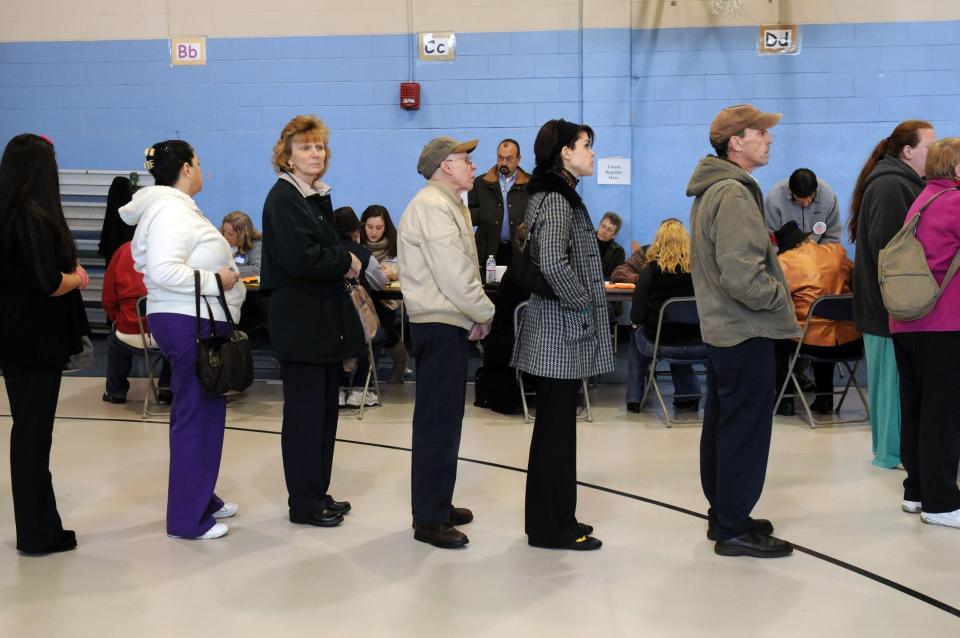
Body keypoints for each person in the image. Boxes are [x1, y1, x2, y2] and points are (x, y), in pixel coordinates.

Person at [687, 104, 799, 558]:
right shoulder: (732, 194)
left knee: (723, 425)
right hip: (744, 328)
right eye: (761, 133)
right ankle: (733, 527)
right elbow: (742, 276)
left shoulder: (716, 190)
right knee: (744, 431)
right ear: (737, 143)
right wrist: (780, 297)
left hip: (724, 329)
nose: (769, 140)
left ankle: (725, 515)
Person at [118, 140, 243, 540]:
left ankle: (200, 497)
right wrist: (218, 280)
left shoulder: (176, 208)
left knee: (203, 413)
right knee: (195, 417)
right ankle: (187, 520)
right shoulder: (172, 210)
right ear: (187, 168)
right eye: (200, 162)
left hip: (193, 319)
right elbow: (162, 270)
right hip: (188, 321)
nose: (202, 169)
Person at [512, 119, 613, 551]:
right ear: (564, 153)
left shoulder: (556, 194)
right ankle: (550, 528)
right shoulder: (556, 201)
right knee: (555, 433)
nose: (592, 153)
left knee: (556, 431)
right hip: (559, 331)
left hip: (556, 329)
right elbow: (552, 263)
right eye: (586, 145)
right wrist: (583, 303)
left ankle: (556, 518)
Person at [260, 115, 365, 529]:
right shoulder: (284, 199)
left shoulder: (310, 197)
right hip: (301, 324)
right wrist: (346, 259)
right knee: (305, 419)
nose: (315, 153)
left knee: (323, 416)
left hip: (319, 324)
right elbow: (302, 257)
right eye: (305, 147)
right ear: (287, 156)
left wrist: (340, 257)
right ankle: (303, 503)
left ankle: (317, 492)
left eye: (319, 146)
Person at [398, 135, 495, 549]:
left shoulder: (446, 204)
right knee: (437, 423)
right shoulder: (434, 207)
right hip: (438, 326)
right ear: (444, 167)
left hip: (446, 321)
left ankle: (438, 500)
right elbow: (454, 273)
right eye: (465, 159)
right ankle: (429, 519)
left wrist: (469, 314)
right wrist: (484, 312)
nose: (473, 165)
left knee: (445, 419)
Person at [0, 133, 89, 554]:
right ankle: (37, 532)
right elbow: (47, 281)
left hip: (18, 341)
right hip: (35, 343)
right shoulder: (32, 217)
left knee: (29, 434)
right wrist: (77, 278)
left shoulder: (10, 215)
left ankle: (41, 526)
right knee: (34, 437)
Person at [849, 120, 935, 469]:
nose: (936, 152)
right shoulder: (890, 187)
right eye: (930, 146)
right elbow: (892, 253)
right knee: (889, 388)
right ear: (908, 151)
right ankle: (891, 453)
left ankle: (894, 450)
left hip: (890, 306)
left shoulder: (903, 184)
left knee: (895, 384)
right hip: (887, 308)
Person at [890, 137, 960, 529]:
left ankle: (916, 491)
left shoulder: (923, 200)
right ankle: (942, 501)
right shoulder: (955, 203)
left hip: (908, 322)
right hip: (945, 324)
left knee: (916, 409)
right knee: (943, 414)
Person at [772, 221, 861, 417]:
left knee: (778, 338)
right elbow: (858, 282)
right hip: (851, 341)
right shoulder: (836, 251)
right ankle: (825, 398)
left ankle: (785, 401)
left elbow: (774, 299)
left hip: (809, 344)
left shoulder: (783, 262)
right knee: (828, 326)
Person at [625, 219, 703, 414]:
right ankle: (688, 395)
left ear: (658, 241)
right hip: (700, 345)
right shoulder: (701, 272)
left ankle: (634, 398)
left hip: (662, 344)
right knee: (680, 335)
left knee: (638, 336)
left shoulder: (650, 271)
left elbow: (636, 316)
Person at [101, 240, 172, 404]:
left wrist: (117, 318)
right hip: (164, 331)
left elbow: (108, 298)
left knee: (115, 341)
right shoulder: (172, 248)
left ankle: (116, 391)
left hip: (130, 330)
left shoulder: (123, 250)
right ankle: (168, 388)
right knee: (176, 335)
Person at [334, 205, 386, 408]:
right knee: (377, 336)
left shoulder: (324, 254)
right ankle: (358, 389)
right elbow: (379, 283)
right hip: (358, 323)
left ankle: (338, 388)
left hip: (330, 323)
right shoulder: (365, 255)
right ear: (356, 231)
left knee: (335, 338)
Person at [360, 204, 408, 384]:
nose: (373, 232)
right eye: (369, 227)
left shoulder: (396, 245)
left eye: (379, 228)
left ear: (386, 227)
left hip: (386, 298)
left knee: (385, 328)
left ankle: (400, 360)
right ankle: (365, 372)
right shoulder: (357, 244)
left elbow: (409, 270)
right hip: (361, 296)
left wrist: (396, 273)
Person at [468, 138, 530, 267]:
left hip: (520, 252)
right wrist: (483, 214)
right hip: (488, 252)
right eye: (500, 158)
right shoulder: (481, 183)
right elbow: (466, 214)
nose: (503, 163)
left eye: (509, 159)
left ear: (519, 159)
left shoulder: (530, 185)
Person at [764, 168, 841, 244]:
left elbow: (832, 235)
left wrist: (819, 253)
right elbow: (770, 238)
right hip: (785, 253)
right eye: (800, 201)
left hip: (818, 251)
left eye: (810, 199)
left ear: (816, 190)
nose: (806, 204)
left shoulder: (828, 196)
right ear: (791, 191)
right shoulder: (774, 198)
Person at [220, 210, 262, 277]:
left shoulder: (256, 245)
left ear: (242, 236)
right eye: (224, 231)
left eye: (230, 234)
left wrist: (231, 271)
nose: (225, 237)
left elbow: (258, 269)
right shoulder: (220, 243)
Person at [596, 212, 626, 280]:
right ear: (599, 225)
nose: (604, 231)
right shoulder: (584, 243)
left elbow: (616, 276)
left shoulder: (619, 252)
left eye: (609, 230)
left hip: (606, 288)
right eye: (603, 226)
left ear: (615, 235)